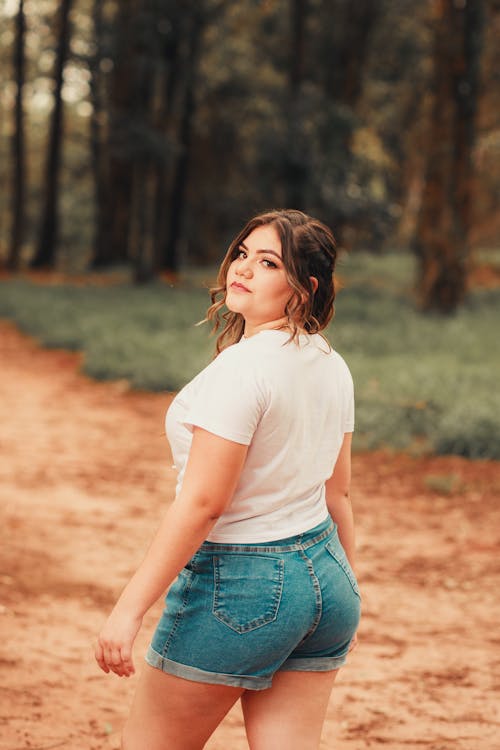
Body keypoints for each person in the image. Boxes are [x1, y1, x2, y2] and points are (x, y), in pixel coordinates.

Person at [95, 209, 361, 750]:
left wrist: (128, 610)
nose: (242, 268)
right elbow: (339, 494)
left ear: (304, 289)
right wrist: (342, 589)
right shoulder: (331, 363)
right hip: (327, 578)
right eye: (243, 253)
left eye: (268, 262)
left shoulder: (242, 370)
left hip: (244, 584)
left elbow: (203, 504)